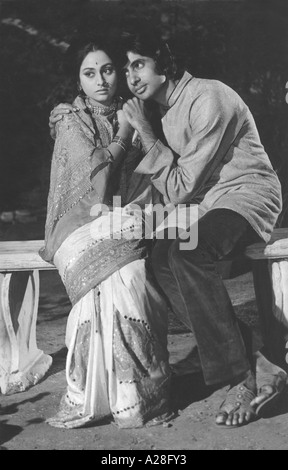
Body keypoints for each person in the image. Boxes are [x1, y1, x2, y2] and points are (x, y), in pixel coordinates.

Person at [49, 28, 287, 429]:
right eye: (125, 68)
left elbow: (177, 186)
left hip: (245, 199)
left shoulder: (209, 97)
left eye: (138, 64)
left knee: (188, 253)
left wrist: (140, 129)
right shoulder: (162, 109)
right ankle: (255, 359)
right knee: (160, 261)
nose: (129, 76)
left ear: (164, 63)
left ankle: (242, 378)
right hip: (206, 208)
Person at [41, 32, 173, 430]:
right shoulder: (69, 118)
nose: (100, 80)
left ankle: (133, 395)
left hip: (127, 217)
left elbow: (161, 166)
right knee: (115, 274)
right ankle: (92, 391)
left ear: (117, 72)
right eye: (89, 73)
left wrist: (138, 126)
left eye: (107, 70)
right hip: (75, 228)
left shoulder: (136, 109)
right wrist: (124, 133)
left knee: (128, 276)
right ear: (78, 80)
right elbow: (94, 177)